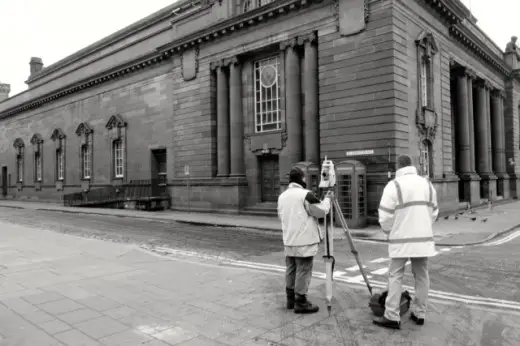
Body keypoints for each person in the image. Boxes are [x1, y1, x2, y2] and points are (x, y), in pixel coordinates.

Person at [373, 155, 439, 329]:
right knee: (422, 276)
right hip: (422, 240)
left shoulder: (394, 185)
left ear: (398, 166)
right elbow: (434, 212)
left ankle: (392, 316)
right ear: (412, 166)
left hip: (401, 240)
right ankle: (419, 313)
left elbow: (385, 216)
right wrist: (424, 227)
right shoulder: (427, 184)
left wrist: (389, 231)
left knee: (395, 275)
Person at [277, 166, 332, 314]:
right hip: (304, 240)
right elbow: (321, 211)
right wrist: (328, 200)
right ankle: (300, 301)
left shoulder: (282, 196)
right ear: (301, 179)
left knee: (291, 268)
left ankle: (290, 299)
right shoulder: (305, 194)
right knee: (303, 269)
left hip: (289, 239)